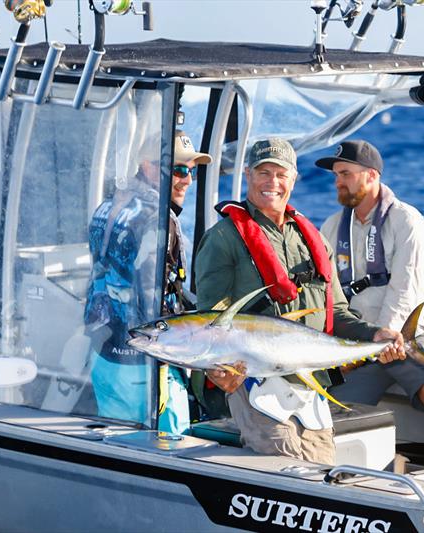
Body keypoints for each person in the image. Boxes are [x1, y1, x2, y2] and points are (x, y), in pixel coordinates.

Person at [194, 137, 405, 465]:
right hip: (257, 386)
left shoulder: (314, 238)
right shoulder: (223, 239)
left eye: (281, 174)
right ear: (248, 174)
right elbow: (211, 322)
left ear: (294, 179)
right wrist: (219, 372)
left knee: (324, 473)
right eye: (264, 172)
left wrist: (376, 335)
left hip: (310, 391)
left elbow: (336, 312)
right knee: (289, 473)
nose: (272, 182)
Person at [317, 140, 424, 466]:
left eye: (345, 174)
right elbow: (326, 295)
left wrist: (386, 335)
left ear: (371, 176)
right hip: (359, 343)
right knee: (325, 415)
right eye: (336, 175)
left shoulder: (407, 222)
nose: (338, 181)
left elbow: (405, 289)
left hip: (409, 338)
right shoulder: (330, 227)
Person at [85, 131, 211, 435]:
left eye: (191, 171)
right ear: (148, 165)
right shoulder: (158, 218)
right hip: (145, 369)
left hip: (104, 356)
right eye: (178, 169)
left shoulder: (107, 206)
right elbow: (155, 299)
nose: (187, 180)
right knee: (171, 448)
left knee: (119, 451)